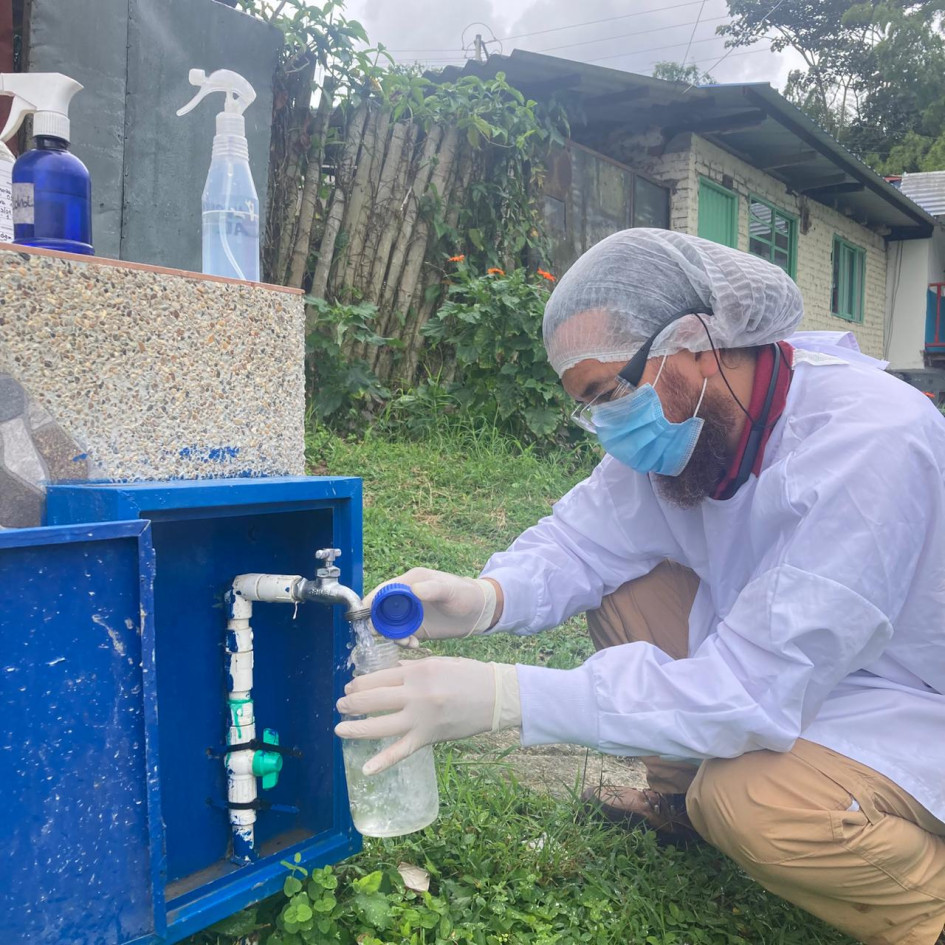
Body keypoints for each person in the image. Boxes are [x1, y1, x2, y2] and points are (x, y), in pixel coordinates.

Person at [335, 228, 945, 945]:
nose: (606, 425)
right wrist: (485, 598)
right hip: (798, 661)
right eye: (589, 405)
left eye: (608, 394)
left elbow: (749, 689)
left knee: (750, 802)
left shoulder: (868, 439)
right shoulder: (695, 418)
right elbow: (581, 542)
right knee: (627, 585)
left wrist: (506, 696)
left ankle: (925, 906)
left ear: (694, 341)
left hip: (907, 696)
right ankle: (681, 804)